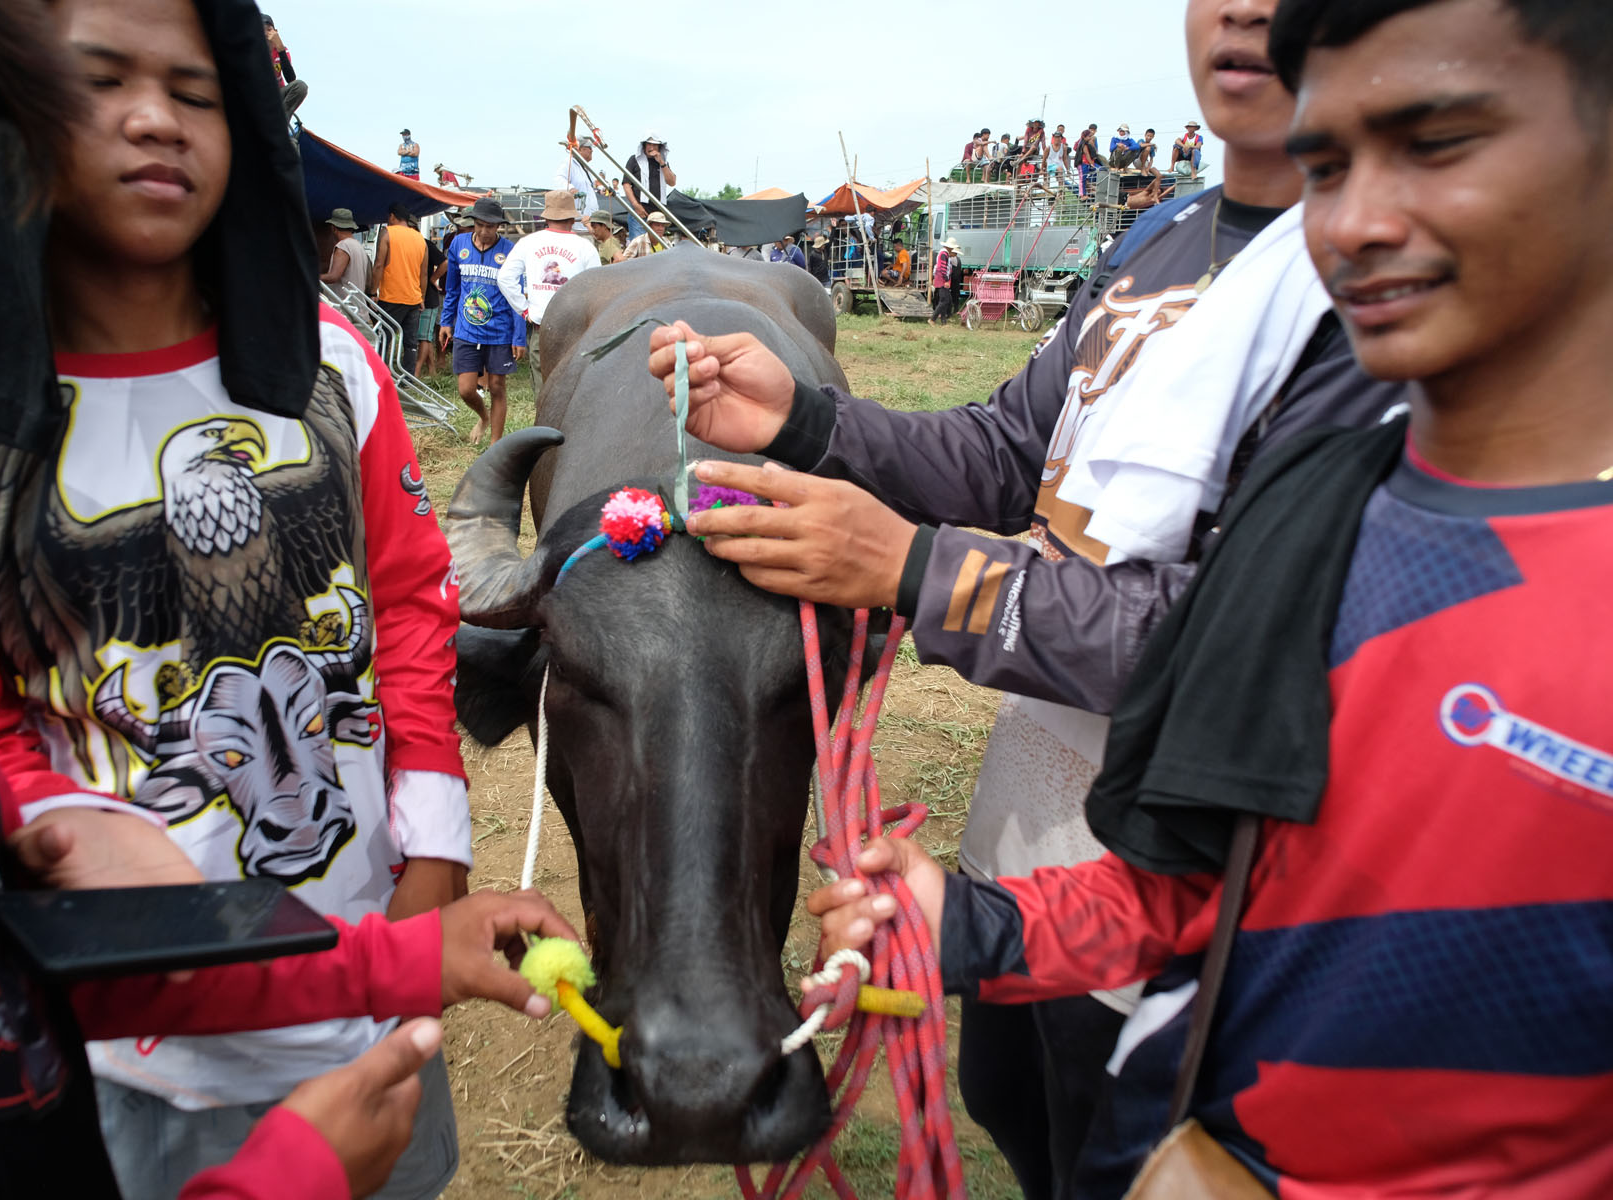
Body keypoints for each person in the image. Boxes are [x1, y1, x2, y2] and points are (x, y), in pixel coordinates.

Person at [805, 0, 1613, 1194]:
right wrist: (980, 929)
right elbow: (1208, 875)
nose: (1354, 220)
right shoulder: (1319, 514)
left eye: (1438, 141)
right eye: (1328, 163)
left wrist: (925, 572)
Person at [0, 3, 585, 1198]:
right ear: (14, 113)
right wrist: (62, 821)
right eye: (103, 77)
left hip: (365, 970)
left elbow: (407, 601)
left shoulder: (330, 368)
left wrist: (429, 838)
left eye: (195, 87)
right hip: (127, 1039)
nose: (152, 119)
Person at [643, 0, 1412, 1192]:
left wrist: (914, 571)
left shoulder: (1390, 285)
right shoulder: (1165, 235)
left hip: (1199, 906)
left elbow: (1264, 640)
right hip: (1033, 837)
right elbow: (1011, 450)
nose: (1251, 10)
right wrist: (807, 421)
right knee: (1017, 1107)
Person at [440, 196, 525, 444]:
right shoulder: (458, 245)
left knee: (497, 386)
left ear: (498, 226)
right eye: (479, 225)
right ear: (473, 223)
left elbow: (516, 296)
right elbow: (453, 289)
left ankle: (495, 444)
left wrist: (518, 336)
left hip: (500, 331)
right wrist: (446, 322)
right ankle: (484, 417)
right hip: (466, 330)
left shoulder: (510, 251)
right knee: (466, 389)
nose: (484, 231)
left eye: (490, 226)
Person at [497, 189, 598, 396]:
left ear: (547, 216)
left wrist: (525, 310)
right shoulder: (585, 247)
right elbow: (597, 289)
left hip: (541, 327)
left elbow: (504, 278)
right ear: (571, 218)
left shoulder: (528, 242)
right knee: (573, 392)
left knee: (544, 394)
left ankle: (545, 428)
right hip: (575, 330)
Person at [375, 201, 429, 374]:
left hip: (391, 296)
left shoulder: (387, 233)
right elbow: (424, 274)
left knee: (384, 337)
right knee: (410, 342)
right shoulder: (420, 239)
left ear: (392, 216)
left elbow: (378, 265)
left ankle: (380, 374)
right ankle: (408, 378)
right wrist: (422, 297)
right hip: (413, 298)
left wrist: (371, 291)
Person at [622, 132, 677, 241]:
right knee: (639, 244)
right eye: (649, 144)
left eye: (655, 145)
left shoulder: (663, 162)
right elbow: (626, 184)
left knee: (655, 244)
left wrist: (661, 163)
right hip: (640, 210)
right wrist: (635, 205)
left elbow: (672, 182)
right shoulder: (634, 160)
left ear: (659, 147)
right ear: (644, 146)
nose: (651, 147)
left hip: (657, 212)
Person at [415, 224, 446, 378]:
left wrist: (433, 279)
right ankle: (432, 369)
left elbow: (444, 262)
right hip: (420, 296)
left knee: (424, 338)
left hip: (428, 297)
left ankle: (417, 371)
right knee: (424, 337)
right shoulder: (420, 243)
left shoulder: (424, 243)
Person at [261, 14, 305, 119]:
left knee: (300, 86)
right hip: (258, 96)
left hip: (277, 96)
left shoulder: (282, 50)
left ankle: (280, 124)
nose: (266, 33)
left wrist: (279, 47)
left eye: (269, 29)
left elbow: (291, 79)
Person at [319, 208, 371, 294]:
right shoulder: (358, 246)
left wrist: (312, 277)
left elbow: (333, 277)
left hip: (343, 304)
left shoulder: (343, 247)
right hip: (356, 302)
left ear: (333, 228)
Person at [554, 140, 597, 229]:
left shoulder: (585, 168)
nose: (592, 151)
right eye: (589, 148)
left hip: (590, 221)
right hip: (578, 223)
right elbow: (559, 179)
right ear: (580, 149)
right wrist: (571, 188)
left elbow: (592, 185)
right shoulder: (569, 163)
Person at [929, 237, 960, 324]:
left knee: (945, 300)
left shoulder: (944, 254)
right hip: (942, 280)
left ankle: (943, 321)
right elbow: (942, 268)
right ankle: (932, 319)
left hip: (940, 279)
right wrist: (946, 280)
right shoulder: (944, 254)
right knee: (944, 300)